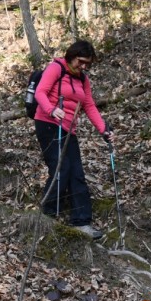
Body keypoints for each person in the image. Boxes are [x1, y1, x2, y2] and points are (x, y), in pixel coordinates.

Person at [33, 39, 114, 239]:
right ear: (72, 56)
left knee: (77, 172)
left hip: (69, 129)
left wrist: (103, 129)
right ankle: (47, 214)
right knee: (61, 169)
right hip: (48, 124)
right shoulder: (55, 68)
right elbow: (40, 92)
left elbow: (89, 106)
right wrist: (52, 110)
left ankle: (82, 222)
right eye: (81, 61)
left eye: (87, 63)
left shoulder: (83, 80)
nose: (84, 66)